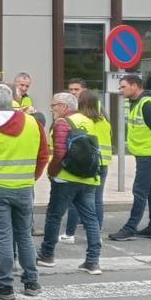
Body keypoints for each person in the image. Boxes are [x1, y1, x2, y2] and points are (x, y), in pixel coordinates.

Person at [0, 82, 50, 300]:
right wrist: (30, 177)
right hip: (24, 188)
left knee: (4, 237)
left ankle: (5, 284)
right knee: (24, 235)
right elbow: (43, 155)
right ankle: (32, 281)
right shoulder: (33, 123)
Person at [38, 92, 103, 274]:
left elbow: (59, 152)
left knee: (54, 215)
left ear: (64, 106)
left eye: (54, 105)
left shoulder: (62, 123)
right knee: (91, 218)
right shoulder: (89, 120)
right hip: (89, 177)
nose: (52, 109)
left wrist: (51, 172)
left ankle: (47, 254)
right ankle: (93, 261)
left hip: (66, 177)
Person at [110, 73, 151, 241]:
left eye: (123, 86)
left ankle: (130, 227)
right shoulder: (136, 102)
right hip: (144, 152)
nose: (120, 90)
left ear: (134, 86)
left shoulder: (147, 104)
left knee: (139, 190)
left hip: (149, 153)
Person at [63, 88, 111, 244]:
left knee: (76, 198)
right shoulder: (104, 120)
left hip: (87, 162)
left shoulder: (83, 120)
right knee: (97, 198)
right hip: (104, 162)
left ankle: (69, 233)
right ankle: (97, 231)